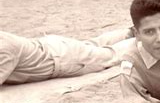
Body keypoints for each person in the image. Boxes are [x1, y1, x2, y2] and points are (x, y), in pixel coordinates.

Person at [0, 28, 131, 85]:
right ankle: (129, 32)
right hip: (55, 47)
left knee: (110, 56)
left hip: (64, 59)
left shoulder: (5, 49)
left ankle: (142, 36)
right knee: (94, 45)